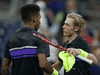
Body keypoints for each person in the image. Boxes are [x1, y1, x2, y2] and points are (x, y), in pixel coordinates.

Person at [1, 4, 59, 75]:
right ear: (34, 19)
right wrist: (56, 73)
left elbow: (5, 67)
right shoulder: (41, 38)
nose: (40, 22)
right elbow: (43, 64)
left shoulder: (11, 39)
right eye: (39, 18)